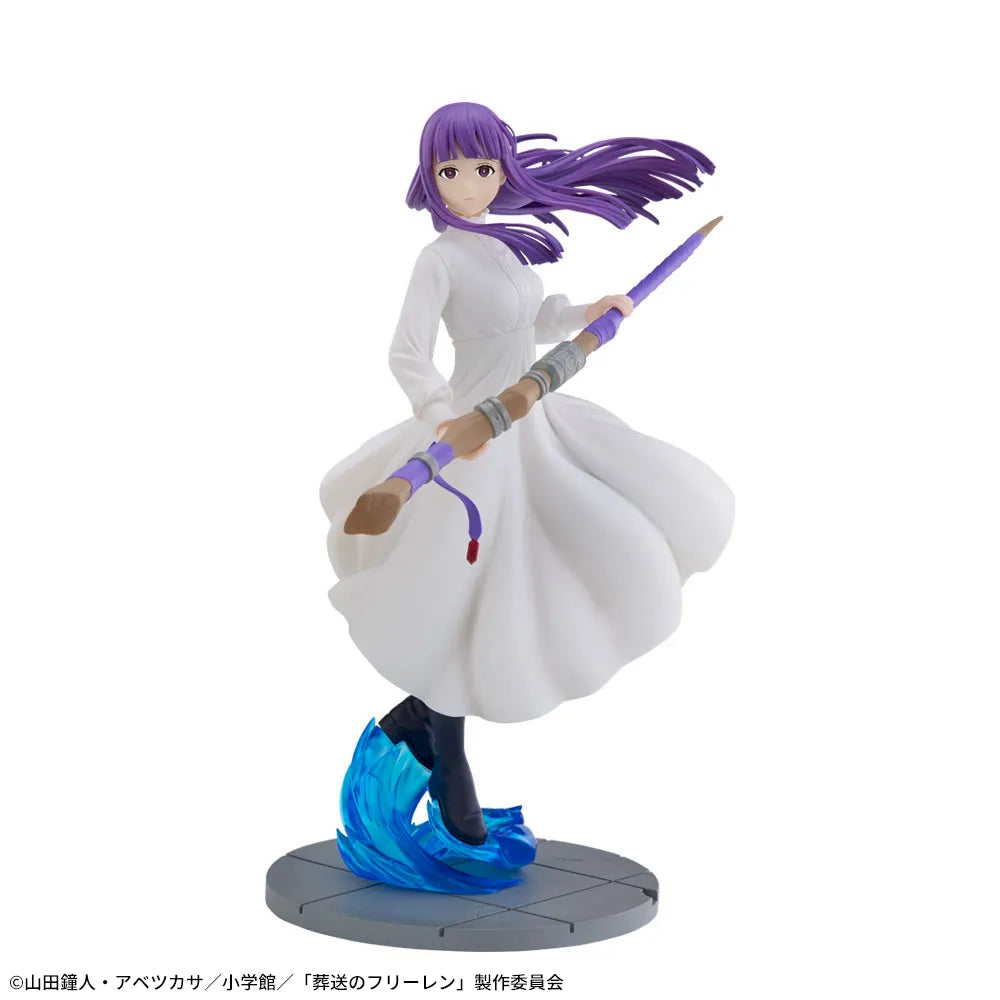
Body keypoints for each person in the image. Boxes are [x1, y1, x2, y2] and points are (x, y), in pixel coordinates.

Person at [320, 102, 734, 845]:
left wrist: (588, 312)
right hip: (470, 439)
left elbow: (530, 320)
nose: (468, 184)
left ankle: (422, 720)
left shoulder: (503, 247)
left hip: (530, 422)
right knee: (453, 593)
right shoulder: (438, 259)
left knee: (577, 549)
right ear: (430, 176)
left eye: (482, 168)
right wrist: (443, 417)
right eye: (451, 170)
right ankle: (447, 754)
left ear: (503, 169)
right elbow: (407, 352)